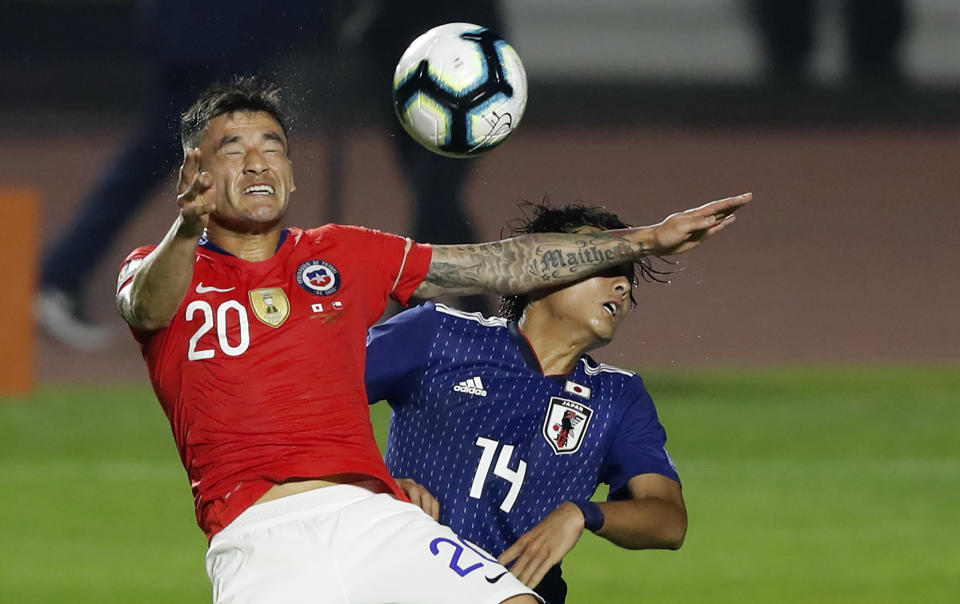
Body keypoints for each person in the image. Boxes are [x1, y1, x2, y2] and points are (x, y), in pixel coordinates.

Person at [114, 75, 750, 602]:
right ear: (195, 169)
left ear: (291, 171)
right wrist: (183, 226)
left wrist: (646, 239)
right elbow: (145, 304)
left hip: (372, 516)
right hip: (258, 534)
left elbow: (500, 265)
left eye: (273, 145)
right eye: (232, 147)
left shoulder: (344, 253)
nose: (257, 160)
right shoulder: (161, 268)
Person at [39, 0, 503, 349]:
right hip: (209, 45)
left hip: (213, 43)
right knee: (205, 169)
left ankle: (65, 274)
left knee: (202, 169)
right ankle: (62, 275)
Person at [365, 203, 698, 603]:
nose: (622, 287)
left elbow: (668, 520)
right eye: (604, 263)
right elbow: (304, 408)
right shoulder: (437, 334)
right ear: (541, 268)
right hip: (398, 583)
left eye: (626, 278)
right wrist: (372, 485)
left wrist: (582, 513)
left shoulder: (618, 398)